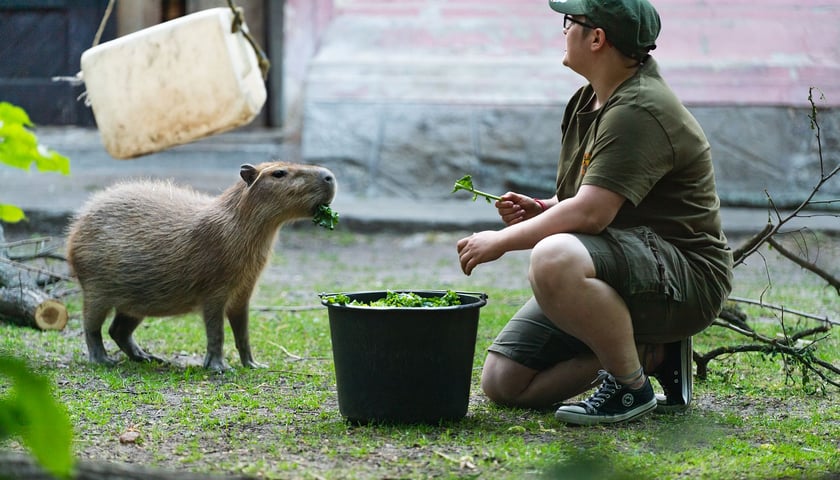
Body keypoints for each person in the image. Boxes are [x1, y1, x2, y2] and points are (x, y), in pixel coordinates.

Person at [456, 0, 733, 425]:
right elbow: (589, 199)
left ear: (597, 37)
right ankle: (651, 354)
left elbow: (591, 215)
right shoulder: (591, 101)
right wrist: (542, 209)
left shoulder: (638, 111)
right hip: (625, 262)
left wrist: (499, 241)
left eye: (570, 22)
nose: (563, 31)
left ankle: (630, 388)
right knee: (504, 382)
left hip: (685, 279)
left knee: (552, 258)